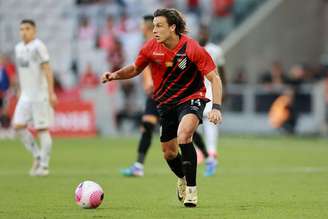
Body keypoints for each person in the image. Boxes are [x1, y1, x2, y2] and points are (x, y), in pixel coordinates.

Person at [101, 9, 223, 207]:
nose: (154, 30)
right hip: (165, 104)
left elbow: (214, 78)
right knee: (169, 153)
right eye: (154, 26)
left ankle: (192, 191)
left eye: (159, 26)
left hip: (192, 98)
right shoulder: (151, 47)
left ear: (172, 28)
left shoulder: (192, 48)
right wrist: (114, 75)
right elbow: (134, 68)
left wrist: (216, 107)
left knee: (185, 135)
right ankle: (182, 178)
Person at [121, 15, 211, 177]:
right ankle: (139, 165)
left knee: (184, 131)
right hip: (157, 95)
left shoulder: (167, 43)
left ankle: (206, 155)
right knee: (147, 126)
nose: (142, 27)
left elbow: (164, 66)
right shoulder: (149, 45)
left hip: (174, 95)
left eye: (143, 25)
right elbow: (141, 67)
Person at [13, 19, 57, 176]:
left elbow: (47, 69)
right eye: (21, 29)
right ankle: (37, 156)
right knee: (18, 126)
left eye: (27, 28)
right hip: (25, 95)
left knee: (42, 130)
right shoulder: (18, 48)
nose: (23, 32)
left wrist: (51, 93)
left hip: (40, 95)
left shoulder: (39, 46)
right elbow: (21, 73)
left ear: (34, 31)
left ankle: (44, 166)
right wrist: (19, 90)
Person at [197, 24, 227, 176]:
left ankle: (212, 155)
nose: (202, 35)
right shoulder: (193, 48)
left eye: (204, 32)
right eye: (201, 32)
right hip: (195, 91)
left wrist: (224, 89)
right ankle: (202, 153)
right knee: (193, 125)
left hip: (211, 90)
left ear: (208, 35)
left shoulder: (215, 50)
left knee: (210, 123)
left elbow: (221, 71)